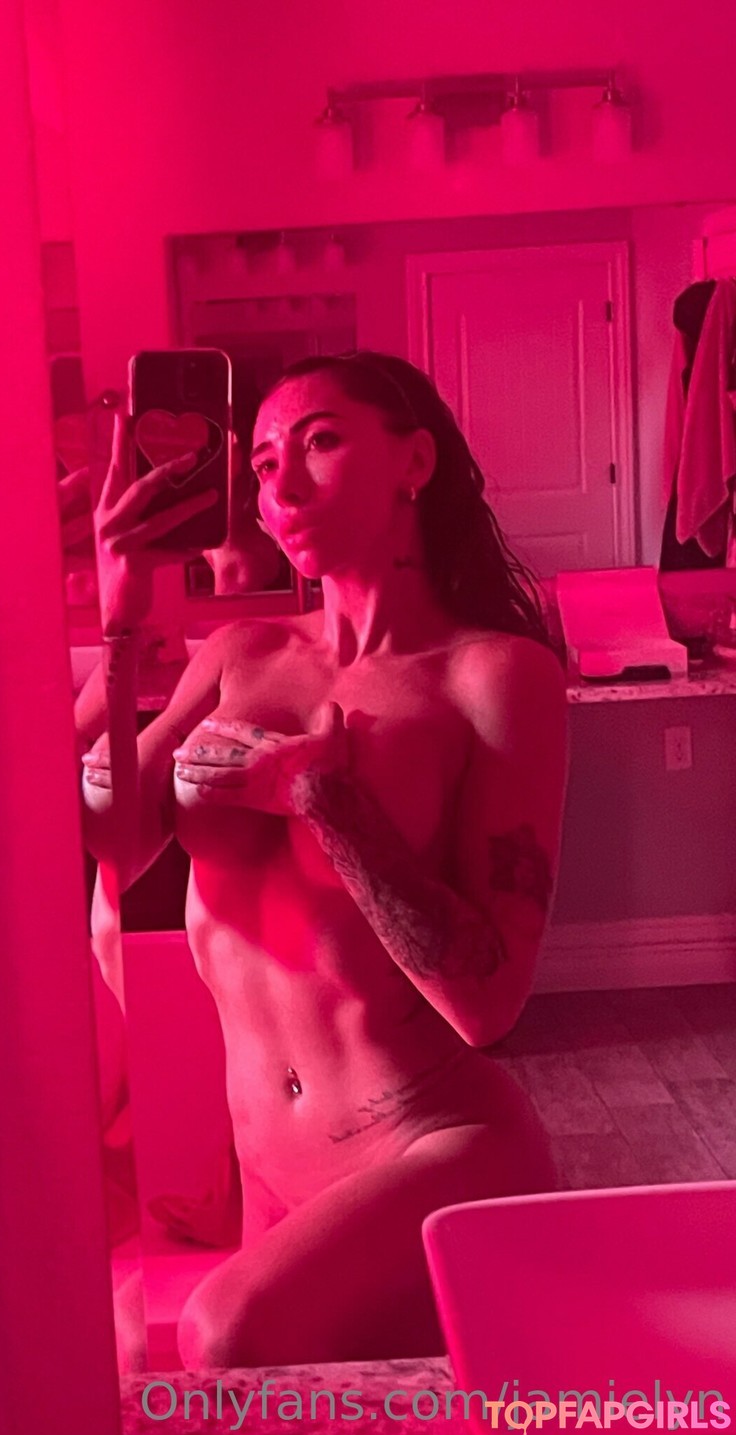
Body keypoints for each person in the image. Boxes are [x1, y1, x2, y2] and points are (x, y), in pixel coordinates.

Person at [79, 350, 567, 1369]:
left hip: (433, 1146)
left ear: (415, 463)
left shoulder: (492, 675)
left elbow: (490, 1000)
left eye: (321, 443)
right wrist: (118, 626)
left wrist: (324, 801)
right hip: (273, 1183)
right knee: (177, 1371)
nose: (283, 485)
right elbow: (112, 842)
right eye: (262, 465)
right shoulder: (241, 656)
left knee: (224, 1335)